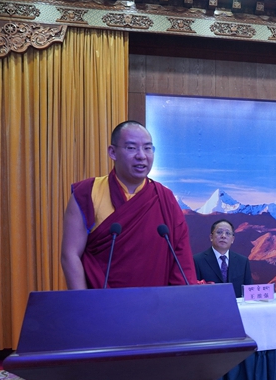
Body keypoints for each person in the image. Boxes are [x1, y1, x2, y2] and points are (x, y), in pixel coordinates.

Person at [61, 120, 197, 289]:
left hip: (155, 301)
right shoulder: (87, 193)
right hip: (101, 300)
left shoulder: (165, 198)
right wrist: (84, 301)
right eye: (131, 148)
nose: (141, 155)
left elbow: (181, 256)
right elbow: (70, 254)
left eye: (147, 148)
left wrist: (182, 299)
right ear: (112, 152)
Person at [193, 219, 252, 298]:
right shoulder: (197, 260)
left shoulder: (243, 261)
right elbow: (194, 291)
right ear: (211, 237)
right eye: (219, 232)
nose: (223, 236)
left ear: (232, 239)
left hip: (237, 305)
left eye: (228, 233)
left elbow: (248, 291)